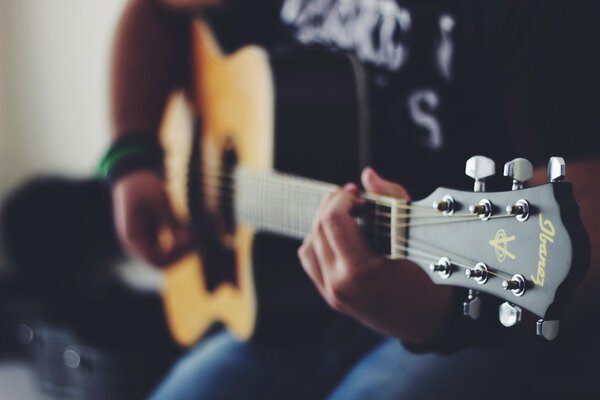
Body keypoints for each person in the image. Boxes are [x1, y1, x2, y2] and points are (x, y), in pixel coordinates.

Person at [106, 0, 600, 398]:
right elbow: (153, 11)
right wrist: (133, 158)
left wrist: (433, 311)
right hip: (282, 306)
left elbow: (583, 203)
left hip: (461, 313)